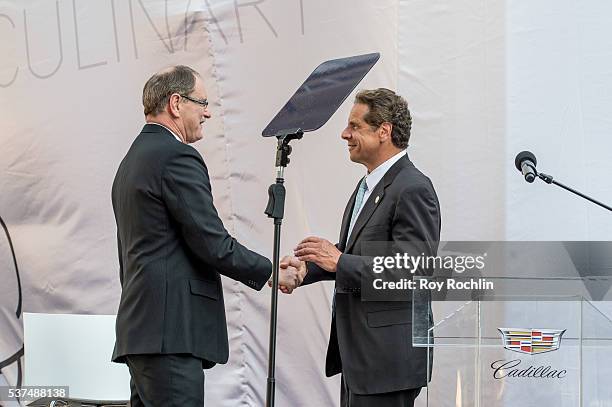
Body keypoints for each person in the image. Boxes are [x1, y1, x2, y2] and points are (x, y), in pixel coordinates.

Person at [111, 65, 302, 406]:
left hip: (142, 334)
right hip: (170, 335)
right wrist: (272, 270)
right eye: (201, 102)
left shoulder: (131, 161)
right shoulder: (176, 156)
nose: (208, 112)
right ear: (175, 103)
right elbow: (212, 242)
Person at [279, 88, 441, 407]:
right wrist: (307, 269)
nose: (344, 134)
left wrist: (338, 261)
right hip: (362, 360)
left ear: (384, 131)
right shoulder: (371, 184)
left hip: (388, 362)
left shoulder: (413, 188)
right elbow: (360, 251)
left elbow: (413, 271)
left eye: (355, 126)